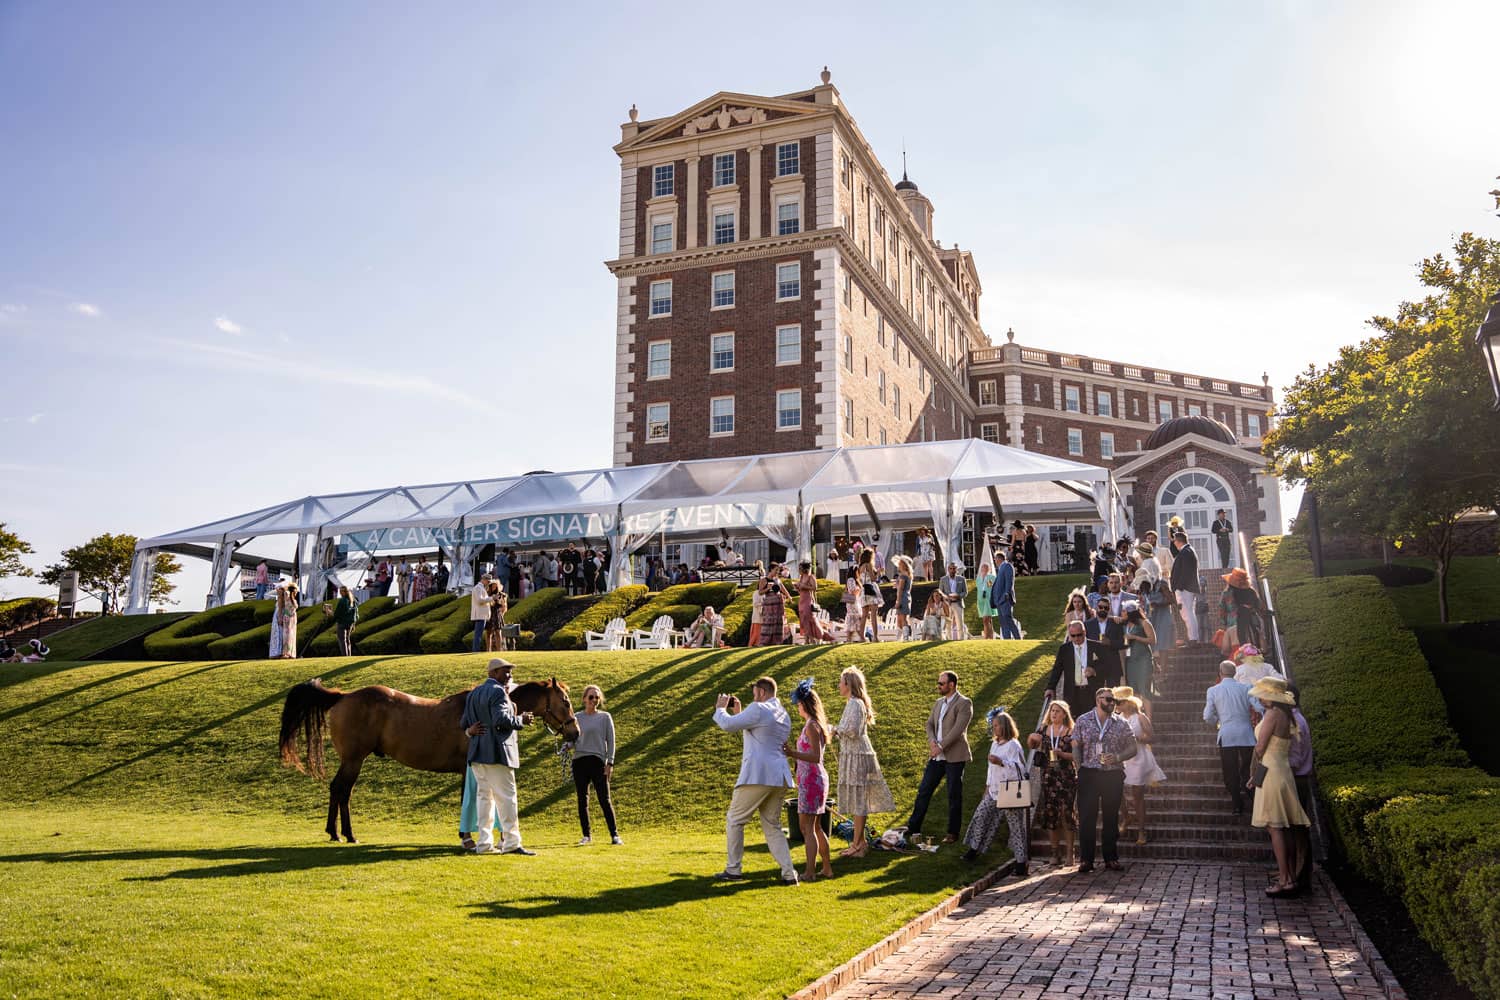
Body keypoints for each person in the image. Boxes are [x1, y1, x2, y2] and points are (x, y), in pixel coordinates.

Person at [711, 677, 799, 884]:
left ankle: (733, 870)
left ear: (760, 692)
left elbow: (727, 726)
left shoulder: (758, 708)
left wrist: (720, 708)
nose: (754, 697)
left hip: (758, 774)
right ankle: (789, 874)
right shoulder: (782, 713)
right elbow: (757, 735)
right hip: (779, 776)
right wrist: (739, 713)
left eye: (754, 693)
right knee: (772, 825)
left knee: (735, 819)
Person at [460, 658, 535, 855]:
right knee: (507, 799)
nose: (509, 675)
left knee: (485, 800)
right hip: (497, 753)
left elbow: (464, 723)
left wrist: (470, 732)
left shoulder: (474, 693)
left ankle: (484, 844)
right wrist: (522, 719)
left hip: (477, 755)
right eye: (506, 671)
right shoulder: (497, 691)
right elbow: (500, 720)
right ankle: (512, 843)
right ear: (493, 673)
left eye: (510, 671)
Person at [1246, 676, 1310, 896]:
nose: (1261, 697)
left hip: (1272, 771)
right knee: (1286, 827)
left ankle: (1284, 879)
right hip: (1281, 770)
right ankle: (1290, 876)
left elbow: (1261, 747)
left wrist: (1254, 772)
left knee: (1275, 827)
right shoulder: (1287, 715)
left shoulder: (1272, 714)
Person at [1071, 687, 1137, 873]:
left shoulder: (1121, 723)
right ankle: (1086, 860)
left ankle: (1111, 858)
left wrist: (1117, 757)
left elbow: (1133, 748)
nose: (1111, 703)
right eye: (1108, 699)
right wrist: (1079, 768)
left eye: (1114, 700)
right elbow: (1076, 745)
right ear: (1098, 699)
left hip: (1112, 774)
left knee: (1110, 817)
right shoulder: (1083, 720)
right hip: (1089, 773)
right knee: (1087, 818)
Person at [903, 671, 973, 845]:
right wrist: (933, 742)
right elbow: (929, 724)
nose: (938, 686)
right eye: (938, 683)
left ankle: (952, 833)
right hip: (936, 756)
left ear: (952, 685)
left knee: (953, 794)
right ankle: (913, 827)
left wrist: (941, 746)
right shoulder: (938, 703)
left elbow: (958, 730)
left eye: (942, 683)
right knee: (924, 790)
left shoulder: (964, 703)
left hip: (955, 756)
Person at [832, 667, 895, 858]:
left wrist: (834, 729)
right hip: (854, 753)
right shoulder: (853, 703)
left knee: (859, 799)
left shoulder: (855, 704)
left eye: (841, 682)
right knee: (858, 799)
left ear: (849, 684)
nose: (838, 685)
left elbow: (852, 730)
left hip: (858, 755)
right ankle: (860, 842)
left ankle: (858, 844)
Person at [960, 708, 1030, 876]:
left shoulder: (1014, 745)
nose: (994, 728)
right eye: (993, 725)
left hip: (1010, 791)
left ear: (1005, 726)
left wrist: (1001, 762)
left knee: (1016, 827)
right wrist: (987, 787)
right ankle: (973, 849)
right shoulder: (994, 744)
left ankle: (1021, 863)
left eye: (997, 725)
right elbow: (990, 770)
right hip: (993, 790)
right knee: (980, 817)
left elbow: (1020, 769)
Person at [783, 679, 833, 881]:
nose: (797, 708)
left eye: (799, 704)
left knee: (807, 828)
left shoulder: (812, 726)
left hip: (812, 780)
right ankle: (826, 868)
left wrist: (792, 753)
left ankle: (810, 871)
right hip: (810, 780)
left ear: (805, 705)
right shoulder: (812, 725)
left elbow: (815, 756)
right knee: (816, 827)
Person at [1204, 660, 1257, 815]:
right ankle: (1253, 798)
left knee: (1230, 770)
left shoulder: (1213, 690)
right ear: (1235, 673)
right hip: (1246, 733)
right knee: (1248, 768)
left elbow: (1207, 716)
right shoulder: (1246, 687)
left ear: (1220, 673)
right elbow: (1259, 707)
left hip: (1226, 734)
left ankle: (1237, 805)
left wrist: (1218, 722)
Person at [570, 685, 620, 846]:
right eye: (591, 697)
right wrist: (567, 746)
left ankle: (614, 835)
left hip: (598, 762)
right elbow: (573, 739)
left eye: (596, 697)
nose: (594, 700)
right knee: (582, 799)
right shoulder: (577, 717)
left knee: (604, 799)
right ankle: (586, 835)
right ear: (584, 699)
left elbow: (611, 741)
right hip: (579, 761)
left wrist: (610, 762)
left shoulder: (605, 717)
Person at [1030, 700, 1078, 867]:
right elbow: (1032, 745)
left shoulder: (1071, 731)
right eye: (1052, 711)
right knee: (1051, 813)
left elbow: (1078, 756)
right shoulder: (1043, 730)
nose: (1054, 714)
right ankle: (1054, 852)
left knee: (1066, 812)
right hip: (1049, 777)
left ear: (1064, 714)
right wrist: (1031, 739)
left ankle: (1070, 853)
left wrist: (1062, 754)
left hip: (1066, 777)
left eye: (1058, 711)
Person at [1115, 689, 1165, 846]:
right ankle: (1126, 816)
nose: (1117, 705)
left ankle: (1142, 830)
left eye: (1119, 702)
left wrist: (1137, 738)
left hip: (1139, 757)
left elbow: (1152, 737)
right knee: (1115, 791)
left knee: (1137, 795)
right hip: (1123, 758)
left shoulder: (1141, 717)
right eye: (1116, 702)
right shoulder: (1117, 719)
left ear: (1128, 702)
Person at [1046, 620, 1119, 722]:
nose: (1076, 638)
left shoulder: (1097, 646)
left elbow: (1109, 667)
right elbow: (1057, 669)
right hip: (1072, 692)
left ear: (1084, 632)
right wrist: (1050, 687)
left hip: (1092, 691)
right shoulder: (1064, 649)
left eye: (1079, 635)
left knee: (1093, 721)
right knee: (1073, 723)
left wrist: (1095, 671)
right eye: (1073, 636)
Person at [1218, 568, 1264, 655]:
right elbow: (1260, 607)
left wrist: (1224, 622)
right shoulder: (1251, 592)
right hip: (1252, 621)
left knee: (1237, 649)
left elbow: (1222, 610)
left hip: (1233, 622)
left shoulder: (1227, 593)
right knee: (1253, 647)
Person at [1120, 602, 1158, 704]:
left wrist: (1135, 637)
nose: (1122, 613)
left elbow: (1153, 640)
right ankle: (1138, 717)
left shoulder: (1144, 623)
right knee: (1134, 690)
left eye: (1124, 611)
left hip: (1143, 660)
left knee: (1144, 690)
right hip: (1130, 661)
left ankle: (1148, 718)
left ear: (1130, 612)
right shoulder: (1125, 625)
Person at [1169, 531, 1201, 643]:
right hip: (1187, 588)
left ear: (1178, 541)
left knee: (1187, 614)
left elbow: (1186, 572)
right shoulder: (1188, 551)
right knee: (1188, 613)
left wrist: (1178, 587)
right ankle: (1193, 638)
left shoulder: (1186, 552)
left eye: (1174, 541)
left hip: (1185, 589)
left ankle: (1193, 638)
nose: (1174, 543)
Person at [794, 561, 827, 644]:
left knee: (808, 619)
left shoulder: (811, 577)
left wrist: (803, 586)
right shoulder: (801, 577)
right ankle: (806, 640)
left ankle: (812, 639)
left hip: (808, 600)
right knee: (803, 620)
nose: (799, 570)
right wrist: (797, 587)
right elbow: (801, 590)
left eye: (800, 568)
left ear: (804, 569)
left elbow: (815, 588)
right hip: (801, 600)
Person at [990, 550, 1019, 639]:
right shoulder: (1000, 569)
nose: (995, 561)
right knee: (1003, 623)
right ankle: (1007, 640)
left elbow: (1009, 581)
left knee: (1008, 619)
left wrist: (1007, 593)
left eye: (995, 559)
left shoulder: (1007, 566)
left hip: (1005, 599)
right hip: (999, 600)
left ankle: (1018, 638)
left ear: (999, 559)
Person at [757, 569, 789, 646]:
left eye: (777, 571)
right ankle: (765, 641)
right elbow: (760, 592)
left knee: (778, 622)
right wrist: (768, 588)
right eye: (775, 570)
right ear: (770, 570)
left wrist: (789, 597)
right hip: (769, 604)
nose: (777, 572)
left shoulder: (777, 580)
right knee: (768, 622)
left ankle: (777, 641)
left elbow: (783, 589)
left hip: (778, 604)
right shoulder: (764, 580)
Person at [857, 550, 882, 642]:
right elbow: (873, 579)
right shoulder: (869, 565)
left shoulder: (860, 567)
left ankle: (861, 637)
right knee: (874, 615)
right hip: (871, 589)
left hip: (863, 591)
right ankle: (875, 637)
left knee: (864, 615)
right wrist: (878, 572)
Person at [936, 562, 966, 640]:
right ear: (948, 569)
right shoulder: (943, 579)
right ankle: (949, 639)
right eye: (951, 568)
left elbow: (965, 592)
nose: (952, 570)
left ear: (956, 570)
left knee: (960, 622)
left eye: (954, 568)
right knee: (948, 623)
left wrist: (958, 596)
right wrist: (946, 597)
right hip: (947, 603)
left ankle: (961, 639)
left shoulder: (962, 579)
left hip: (958, 603)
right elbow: (940, 592)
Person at [328, 585, 358, 656]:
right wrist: (354, 623)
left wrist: (330, 612)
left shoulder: (343, 600)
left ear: (344, 592)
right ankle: (349, 656)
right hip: (350, 623)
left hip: (342, 623)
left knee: (342, 641)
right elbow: (356, 614)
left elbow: (337, 614)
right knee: (348, 640)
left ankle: (345, 656)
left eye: (341, 591)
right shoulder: (353, 600)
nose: (340, 593)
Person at [469, 573, 495, 653]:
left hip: (481, 614)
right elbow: (480, 600)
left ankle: (476, 650)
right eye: (488, 581)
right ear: (483, 580)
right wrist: (491, 598)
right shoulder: (478, 588)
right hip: (480, 614)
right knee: (478, 634)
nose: (488, 583)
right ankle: (476, 650)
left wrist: (491, 598)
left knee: (478, 634)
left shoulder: (480, 588)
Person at [975, 561, 998, 640]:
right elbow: (979, 589)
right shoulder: (978, 579)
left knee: (986, 619)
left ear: (989, 569)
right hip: (981, 600)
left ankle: (986, 637)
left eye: (986, 568)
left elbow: (990, 588)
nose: (984, 569)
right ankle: (991, 637)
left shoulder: (991, 577)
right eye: (983, 567)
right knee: (988, 620)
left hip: (988, 600)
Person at [892, 555, 913, 639]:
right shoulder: (909, 575)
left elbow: (900, 589)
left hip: (902, 598)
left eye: (900, 564)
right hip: (907, 597)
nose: (898, 565)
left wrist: (898, 601)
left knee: (902, 618)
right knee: (902, 618)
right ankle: (902, 636)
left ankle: (905, 636)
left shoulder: (903, 575)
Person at [484, 580, 508, 652]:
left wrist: (502, 614)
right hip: (489, 614)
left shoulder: (502, 595)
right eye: (492, 586)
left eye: (495, 586)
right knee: (489, 633)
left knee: (498, 632)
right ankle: (488, 649)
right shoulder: (487, 595)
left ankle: (499, 649)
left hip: (497, 615)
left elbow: (504, 607)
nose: (494, 587)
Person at [268, 585, 288, 659]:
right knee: (279, 633)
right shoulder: (282, 598)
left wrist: (280, 617)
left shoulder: (280, 598)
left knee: (278, 633)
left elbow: (280, 609)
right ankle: (277, 651)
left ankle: (277, 651)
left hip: (278, 616)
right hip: (278, 615)